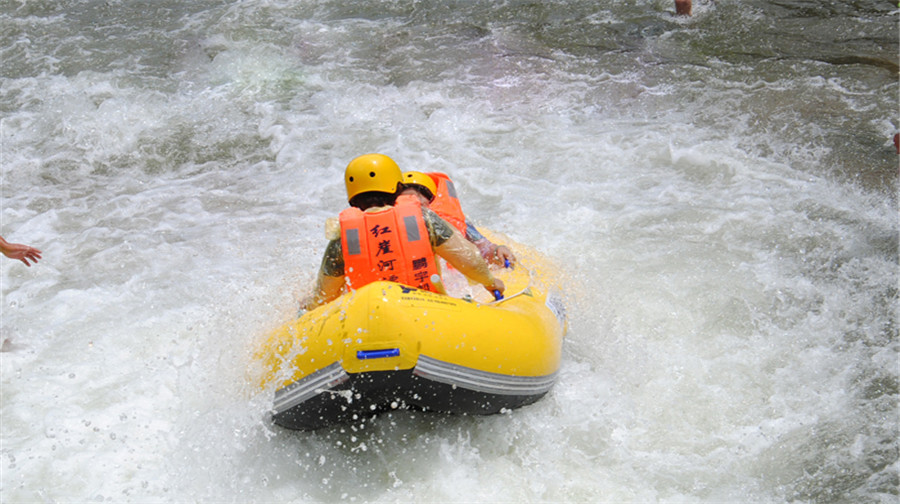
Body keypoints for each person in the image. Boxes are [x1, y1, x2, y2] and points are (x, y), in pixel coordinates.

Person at [301, 154, 505, 310]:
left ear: (352, 196)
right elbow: (467, 258)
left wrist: (307, 306)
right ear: (397, 188)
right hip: (427, 310)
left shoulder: (343, 237)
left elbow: (325, 296)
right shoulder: (424, 220)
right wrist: (490, 282)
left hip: (369, 316)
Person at [401, 171, 517, 267]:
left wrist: (497, 251)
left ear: (431, 202)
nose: (413, 205)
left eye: (417, 201)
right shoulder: (393, 224)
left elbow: (483, 249)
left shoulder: (454, 223)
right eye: (406, 200)